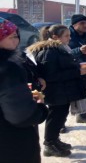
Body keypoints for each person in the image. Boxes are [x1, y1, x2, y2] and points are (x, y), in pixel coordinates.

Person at [28, 24, 86, 157]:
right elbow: (51, 76)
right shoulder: (49, 51)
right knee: (55, 117)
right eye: (66, 35)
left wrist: (76, 68)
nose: (69, 38)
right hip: (56, 91)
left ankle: (54, 140)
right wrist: (77, 71)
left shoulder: (60, 48)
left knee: (60, 116)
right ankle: (49, 144)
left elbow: (62, 67)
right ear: (55, 37)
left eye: (69, 35)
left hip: (63, 90)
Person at [0, 17, 48, 163]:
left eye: (17, 36)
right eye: (12, 36)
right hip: (11, 144)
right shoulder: (7, 68)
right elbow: (20, 115)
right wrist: (39, 109)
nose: (17, 41)